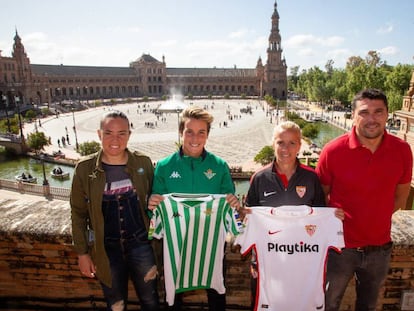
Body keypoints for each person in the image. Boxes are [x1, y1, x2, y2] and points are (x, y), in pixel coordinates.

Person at [316, 88, 413, 311]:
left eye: (378, 112)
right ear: (353, 115)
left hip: (379, 248)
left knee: (368, 305)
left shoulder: (402, 150)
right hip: (339, 247)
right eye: (364, 112)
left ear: (388, 115)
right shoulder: (333, 151)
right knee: (327, 303)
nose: (372, 119)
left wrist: (374, 216)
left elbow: (401, 197)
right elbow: (322, 196)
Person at [148, 106, 240, 311]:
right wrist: (152, 205)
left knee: (216, 294)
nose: (194, 138)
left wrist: (233, 204)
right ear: (181, 132)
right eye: (189, 131)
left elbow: (230, 207)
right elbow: (154, 215)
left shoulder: (219, 166)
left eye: (201, 132)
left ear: (207, 135)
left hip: (211, 244)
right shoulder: (164, 166)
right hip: (175, 243)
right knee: (173, 296)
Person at [70, 110, 160, 311]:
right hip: (106, 249)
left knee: (151, 301)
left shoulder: (143, 163)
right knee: (115, 305)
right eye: (109, 133)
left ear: (129, 135)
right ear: (99, 134)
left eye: (122, 133)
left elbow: (154, 200)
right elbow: (78, 213)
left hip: (141, 245)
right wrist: (82, 253)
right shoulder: (84, 169)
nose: (115, 139)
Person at [244, 120, 327, 309]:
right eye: (281, 142)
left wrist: (334, 217)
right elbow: (251, 222)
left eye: (292, 143)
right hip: (267, 262)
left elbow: (321, 219)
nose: (286, 148)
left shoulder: (311, 177)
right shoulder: (259, 178)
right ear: (273, 143)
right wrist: (255, 261)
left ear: (300, 145)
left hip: (301, 259)